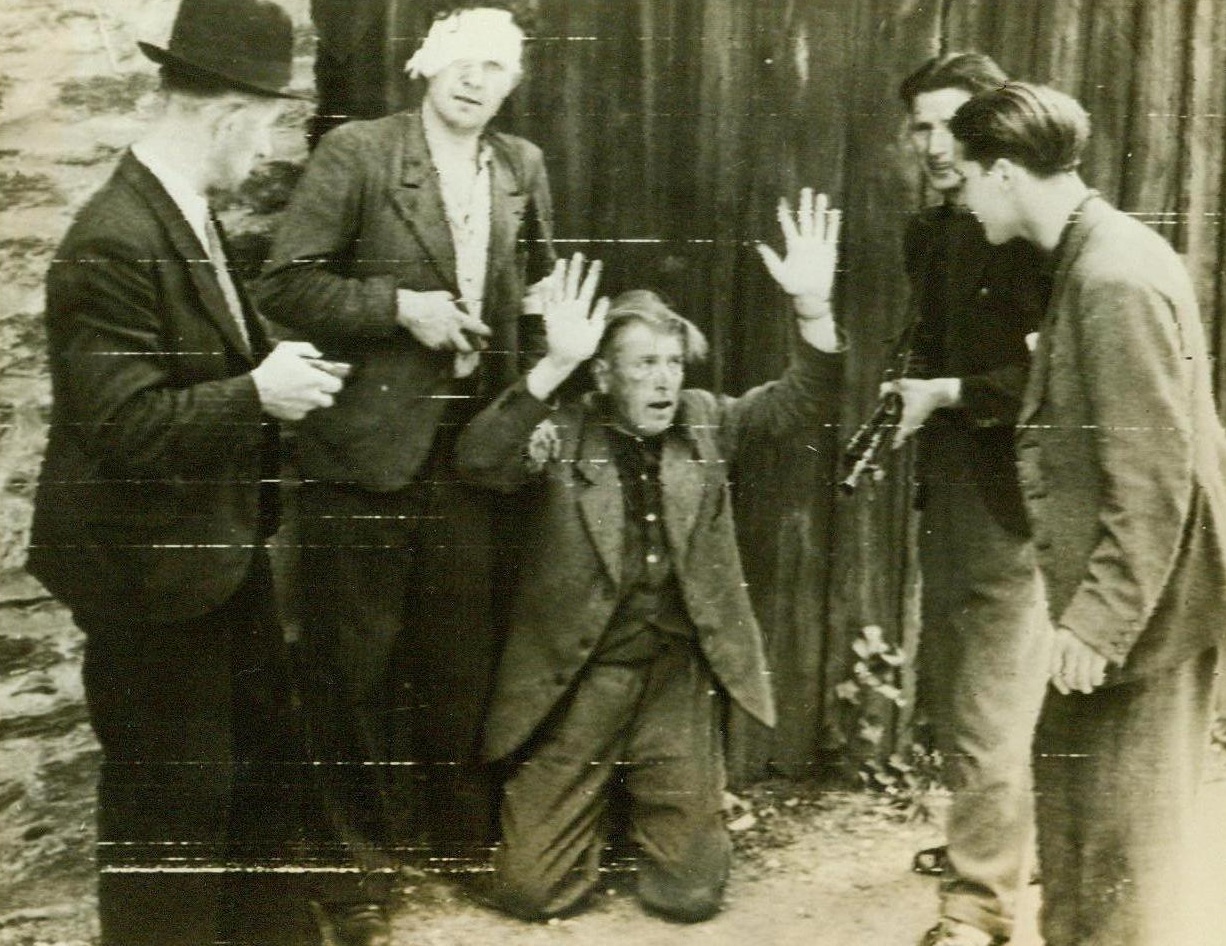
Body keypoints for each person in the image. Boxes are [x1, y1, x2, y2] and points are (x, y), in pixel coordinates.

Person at [23, 2, 347, 944]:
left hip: (217, 562)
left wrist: (277, 372)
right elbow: (126, 425)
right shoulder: (112, 238)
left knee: (255, 790)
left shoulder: (182, 210)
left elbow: (195, 367)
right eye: (265, 128)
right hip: (149, 584)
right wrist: (260, 393)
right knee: (169, 824)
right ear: (228, 116)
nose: (262, 152)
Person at [453, 192, 844, 922]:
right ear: (602, 375)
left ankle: (660, 811)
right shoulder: (561, 430)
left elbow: (798, 403)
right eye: (643, 365)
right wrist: (550, 369)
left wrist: (814, 310)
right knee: (532, 892)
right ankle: (587, 808)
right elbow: (477, 460)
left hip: (672, 681)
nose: (665, 380)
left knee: (691, 894)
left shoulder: (705, 421)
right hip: (585, 679)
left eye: (673, 362)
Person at [258, 6, 556, 941]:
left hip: (472, 460)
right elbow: (284, 286)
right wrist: (401, 308)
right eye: (463, 62)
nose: (477, 81)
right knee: (352, 669)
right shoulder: (359, 153)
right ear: (428, 66)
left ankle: (457, 844)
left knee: (460, 658)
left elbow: (538, 290)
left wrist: (538, 384)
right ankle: (355, 875)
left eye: (497, 68)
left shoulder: (521, 167)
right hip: (364, 458)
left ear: (512, 82)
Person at [949, 81, 1226, 946]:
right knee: (1079, 832)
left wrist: (1099, 625)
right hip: (1121, 600)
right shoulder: (1088, 256)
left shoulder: (1112, 276)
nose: (958, 198)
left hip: (1145, 613)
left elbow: (1152, 476)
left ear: (1000, 174)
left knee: (1120, 860)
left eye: (961, 178)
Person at [885, 54, 1053, 946]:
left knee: (992, 702)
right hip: (948, 490)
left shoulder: (1027, 235)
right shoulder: (937, 231)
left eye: (953, 125)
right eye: (920, 127)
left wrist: (945, 394)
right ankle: (988, 850)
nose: (935, 145)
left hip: (1011, 496)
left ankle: (981, 909)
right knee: (967, 690)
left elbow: (1048, 377)